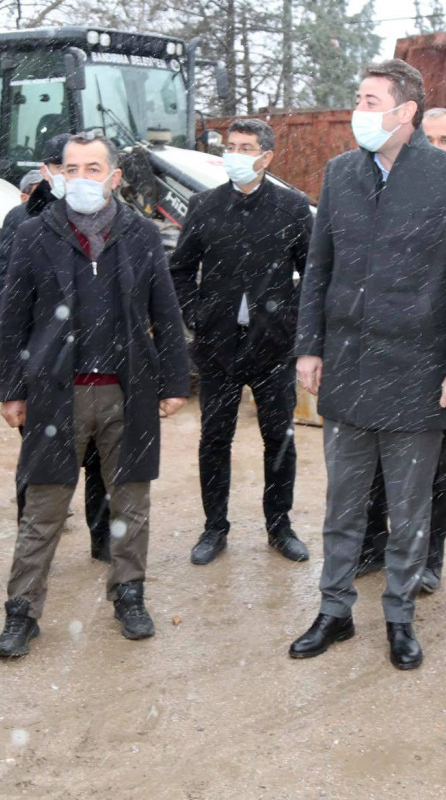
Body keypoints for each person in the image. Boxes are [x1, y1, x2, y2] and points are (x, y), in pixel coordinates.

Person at [289, 59, 446, 671]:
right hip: (349, 366)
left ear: (406, 112)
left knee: (408, 512)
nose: (359, 110)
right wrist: (310, 345)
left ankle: (400, 617)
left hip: (417, 371)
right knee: (343, 506)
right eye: (358, 98)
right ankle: (334, 609)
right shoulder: (341, 172)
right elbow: (319, 266)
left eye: (370, 100)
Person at [0, 135, 189, 656]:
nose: (81, 178)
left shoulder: (142, 234)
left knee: (131, 504)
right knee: (43, 509)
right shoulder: (34, 234)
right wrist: (12, 390)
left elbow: (166, 312)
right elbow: (12, 319)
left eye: (93, 168)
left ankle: (129, 594)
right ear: (59, 175)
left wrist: (175, 381)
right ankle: (22, 611)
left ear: (114, 177)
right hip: (57, 395)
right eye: (72, 168)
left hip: (128, 392)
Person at [170, 119, 313, 565]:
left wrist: (292, 321)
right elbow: (180, 270)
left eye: (246, 147)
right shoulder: (204, 205)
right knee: (215, 439)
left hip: (274, 347)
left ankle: (280, 526)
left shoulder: (292, 208)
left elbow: (313, 272)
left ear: (266, 157)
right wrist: (197, 315)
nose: (235, 154)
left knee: (279, 439)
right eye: (230, 146)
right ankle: (215, 527)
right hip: (218, 347)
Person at [353, 107, 446, 595]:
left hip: (436, 358)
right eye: (431, 139)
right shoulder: (385, 192)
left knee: (438, 466)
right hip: (382, 352)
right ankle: (372, 544)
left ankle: (429, 555)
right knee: (374, 457)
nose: (437, 149)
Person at [0, 133, 111, 563]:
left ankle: (104, 541)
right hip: (42, 367)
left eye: (85, 168)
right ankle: (33, 542)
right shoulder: (23, 222)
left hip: (95, 366)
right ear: (47, 172)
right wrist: (9, 371)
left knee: (101, 460)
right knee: (40, 460)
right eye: (63, 168)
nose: (74, 178)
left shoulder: (109, 219)